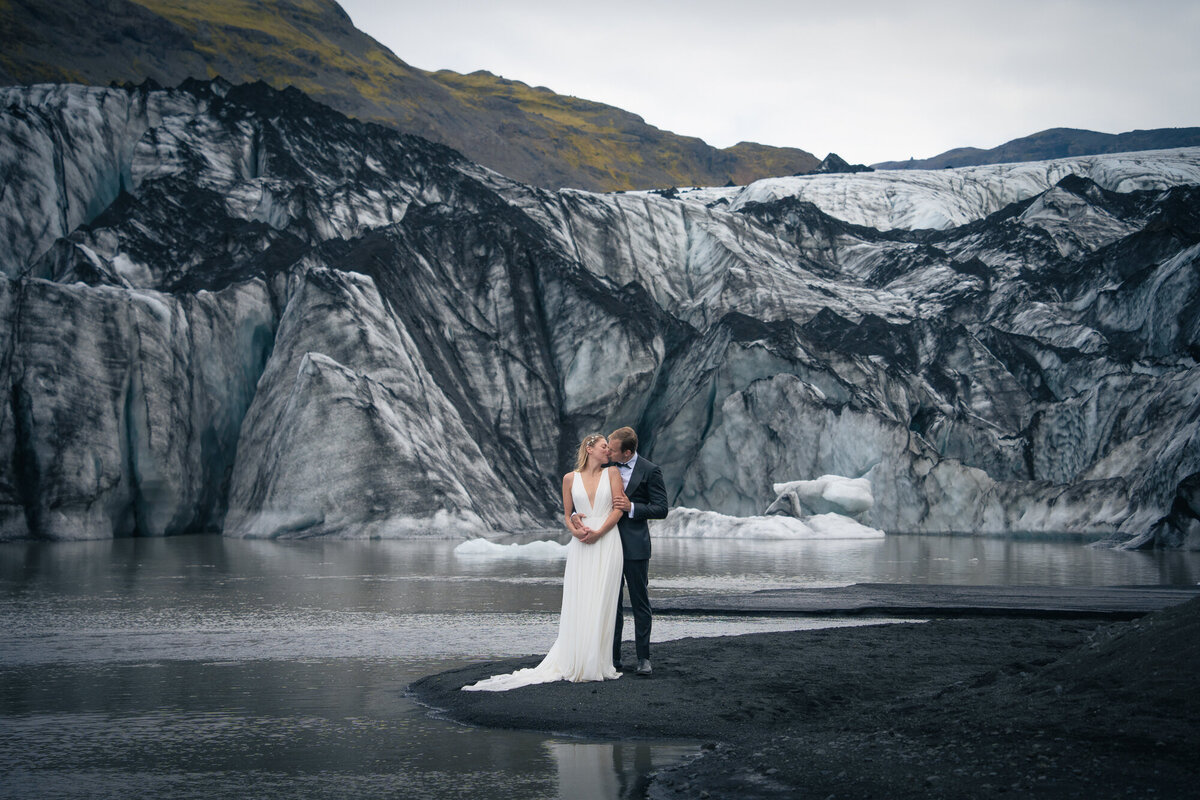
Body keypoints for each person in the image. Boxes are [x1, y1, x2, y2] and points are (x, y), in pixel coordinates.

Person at [462, 433, 628, 691]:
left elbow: (618, 508)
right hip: (582, 544)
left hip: (607, 540)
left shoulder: (614, 474)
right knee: (580, 599)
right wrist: (575, 531)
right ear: (590, 447)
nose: (609, 450)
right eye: (604, 446)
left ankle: (597, 662)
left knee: (602, 600)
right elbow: (566, 514)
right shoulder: (570, 479)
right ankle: (576, 659)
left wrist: (599, 532)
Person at [598, 427, 668, 676]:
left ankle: (643, 659)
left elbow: (661, 509)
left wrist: (632, 507)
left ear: (627, 452)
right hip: (607, 544)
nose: (607, 451)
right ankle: (613, 659)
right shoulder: (603, 469)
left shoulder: (650, 470)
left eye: (613, 449)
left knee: (640, 602)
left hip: (636, 547)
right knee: (611, 605)